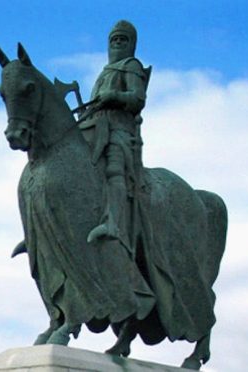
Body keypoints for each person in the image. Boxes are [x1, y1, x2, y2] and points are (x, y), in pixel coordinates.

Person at [78, 20, 149, 249]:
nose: (118, 42)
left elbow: (138, 99)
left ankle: (113, 223)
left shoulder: (131, 65)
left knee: (114, 167)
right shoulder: (103, 72)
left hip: (119, 130)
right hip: (95, 127)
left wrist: (115, 96)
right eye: (114, 39)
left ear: (131, 44)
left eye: (123, 39)